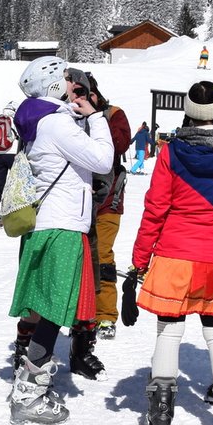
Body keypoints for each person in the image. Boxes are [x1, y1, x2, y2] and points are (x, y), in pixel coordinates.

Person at [129, 81, 213, 425]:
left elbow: (155, 208)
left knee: (169, 330)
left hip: (174, 252)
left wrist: (140, 256)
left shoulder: (171, 152)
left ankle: (160, 413)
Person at [7, 56, 113, 424]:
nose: (72, 83)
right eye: (66, 77)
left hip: (49, 223)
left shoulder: (41, 120)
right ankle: (29, 392)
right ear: (53, 82)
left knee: (48, 308)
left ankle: (29, 381)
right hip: (63, 224)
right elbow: (103, 160)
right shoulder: (56, 124)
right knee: (54, 310)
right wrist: (96, 117)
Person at [79, 69, 132, 349]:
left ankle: (106, 315)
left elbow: (120, 145)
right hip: (78, 199)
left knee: (102, 256)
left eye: (85, 93)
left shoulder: (114, 114)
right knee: (78, 258)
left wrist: (96, 116)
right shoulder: (69, 114)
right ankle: (81, 313)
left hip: (109, 199)